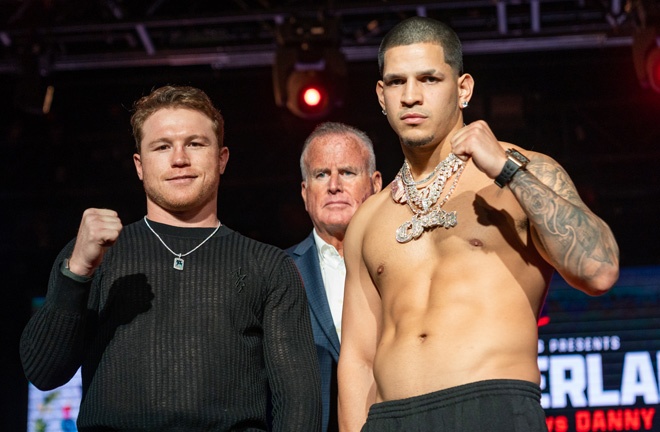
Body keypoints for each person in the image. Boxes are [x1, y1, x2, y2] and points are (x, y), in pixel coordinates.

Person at [337, 16, 620, 432]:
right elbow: (358, 359)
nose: (411, 96)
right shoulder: (369, 218)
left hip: (493, 410)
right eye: (397, 82)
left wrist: (508, 172)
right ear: (381, 95)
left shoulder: (525, 169)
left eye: (429, 79)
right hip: (391, 419)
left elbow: (599, 270)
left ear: (463, 88)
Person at [20, 85, 322, 431]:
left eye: (195, 143)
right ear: (139, 164)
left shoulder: (268, 267)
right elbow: (43, 372)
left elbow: (299, 406)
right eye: (162, 146)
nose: (179, 159)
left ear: (221, 158)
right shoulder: (97, 255)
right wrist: (76, 273)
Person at [287, 122, 382, 432]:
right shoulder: (278, 272)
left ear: (375, 184)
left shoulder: (406, 264)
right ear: (305, 192)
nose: (333, 186)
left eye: (348, 172)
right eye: (321, 174)